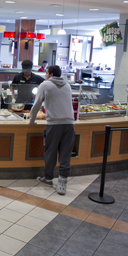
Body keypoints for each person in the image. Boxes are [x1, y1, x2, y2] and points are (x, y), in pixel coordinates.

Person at [29, 65, 75, 195]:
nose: (45, 75)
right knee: (65, 153)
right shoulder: (67, 85)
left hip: (54, 124)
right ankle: (62, 183)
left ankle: (48, 178)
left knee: (50, 151)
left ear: (51, 74)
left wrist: (31, 121)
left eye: (46, 73)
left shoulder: (45, 85)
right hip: (69, 123)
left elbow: (36, 104)